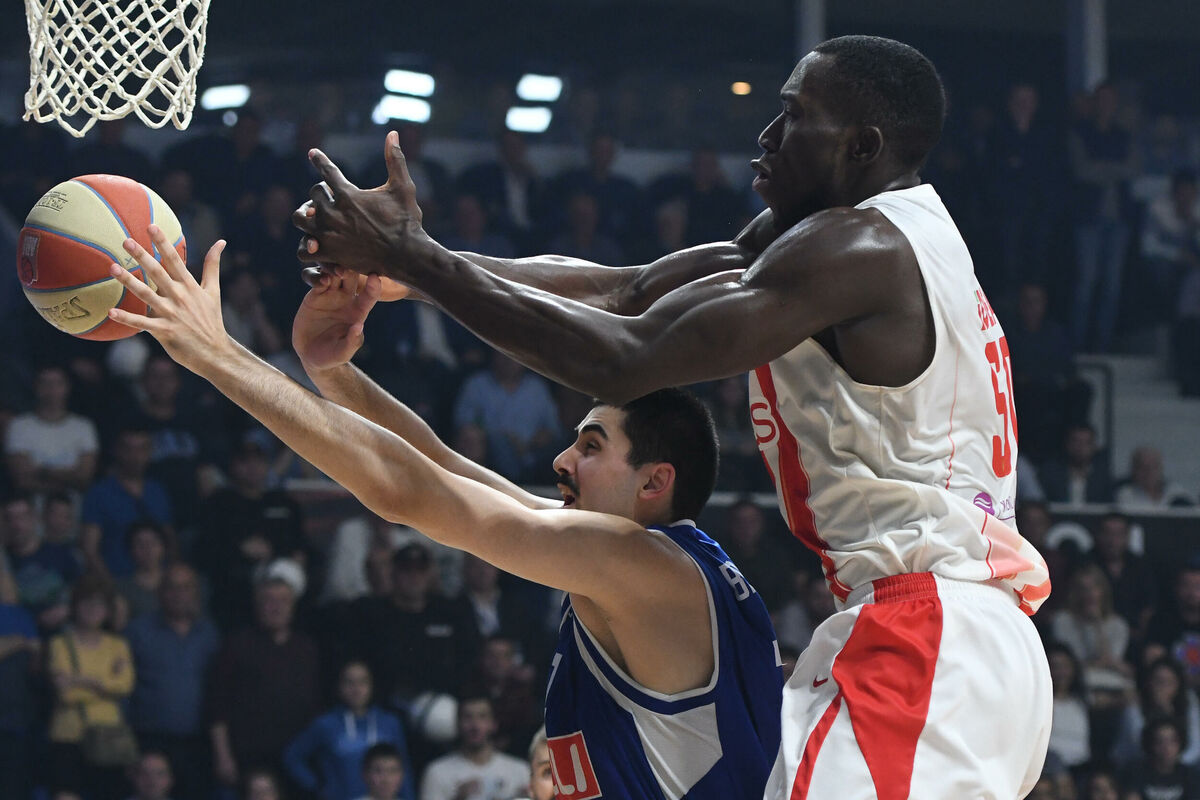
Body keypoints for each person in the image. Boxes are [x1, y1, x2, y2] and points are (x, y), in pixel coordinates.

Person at [294, 34, 1051, 798]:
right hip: (957, 638)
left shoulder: (861, 247)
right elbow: (626, 292)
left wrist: (417, 258)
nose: (768, 136)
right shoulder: (858, 238)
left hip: (926, 631)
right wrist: (411, 271)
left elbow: (623, 360)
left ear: (861, 146)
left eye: (795, 116)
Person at [102, 226, 784, 799]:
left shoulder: (647, 564)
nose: (561, 461)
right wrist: (333, 372)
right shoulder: (659, 565)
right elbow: (449, 470)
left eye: (591, 446)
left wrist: (219, 357)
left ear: (654, 482)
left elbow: (413, 494)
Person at [283, 660, 415, 800]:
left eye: (363, 682)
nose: (356, 689)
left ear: (372, 685)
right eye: (349, 682)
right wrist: (317, 786)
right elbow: (292, 756)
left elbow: (404, 768)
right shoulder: (325, 724)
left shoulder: (389, 723)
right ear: (339, 687)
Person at [418, 695, 529, 800]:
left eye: (482, 717)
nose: (475, 725)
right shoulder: (437, 772)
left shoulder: (520, 771)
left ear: (494, 723)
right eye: (468, 717)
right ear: (457, 723)